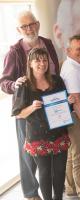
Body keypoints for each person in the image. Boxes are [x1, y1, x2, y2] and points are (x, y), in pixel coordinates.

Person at [0, 10, 59, 200]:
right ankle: (31, 192)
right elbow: (4, 82)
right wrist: (14, 83)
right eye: (24, 26)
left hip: (50, 104)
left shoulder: (48, 43)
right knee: (27, 153)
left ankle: (51, 188)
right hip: (27, 110)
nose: (29, 28)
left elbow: (55, 71)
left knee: (51, 146)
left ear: (38, 24)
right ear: (19, 29)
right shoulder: (14, 51)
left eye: (31, 24)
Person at [12, 48, 73, 200]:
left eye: (44, 60)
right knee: (44, 173)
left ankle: (58, 198)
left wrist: (69, 102)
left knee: (59, 172)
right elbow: (18, 113)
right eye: (37, 60)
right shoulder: (24, 84)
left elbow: (65, 106)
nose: (42, 63)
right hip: (38, 137)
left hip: (59, 134)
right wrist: (32, 107)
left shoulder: (56, 80)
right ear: (30, 63)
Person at [60, 35, 80, 200]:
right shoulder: (72, 70)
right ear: (68, 51)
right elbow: (76, 100)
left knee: (72, 156)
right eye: (78, 49)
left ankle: (71, 188)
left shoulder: (76, 64)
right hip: (77, 117)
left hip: (76, 115)